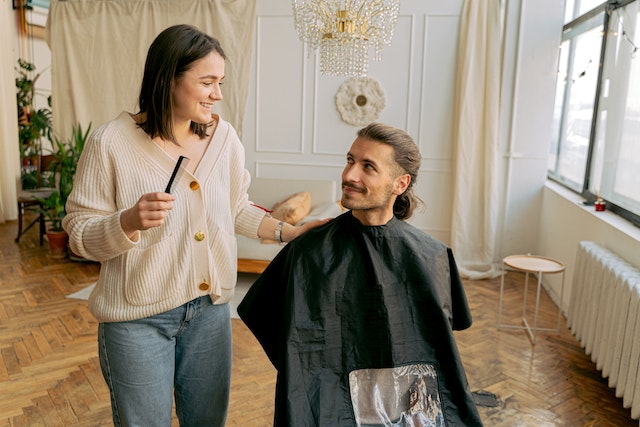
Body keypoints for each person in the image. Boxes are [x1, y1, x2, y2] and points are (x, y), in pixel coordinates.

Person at [62, 24, 326, 426]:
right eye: (207, 82)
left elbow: (235, 208)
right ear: (168, 79)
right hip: (137, 320)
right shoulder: (110, 143)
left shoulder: (225, 139)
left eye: (220, 82)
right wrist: (127, 222)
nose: (217, 94)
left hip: (210, 314)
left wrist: (285, 232)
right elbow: (79, 235)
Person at [238, 123, 483, 426]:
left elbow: (441, 337)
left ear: (400, 183)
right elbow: (263, 314)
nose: (349, 175)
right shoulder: (308, 250)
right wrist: (311, 371)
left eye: (368, 167)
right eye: (350, 160)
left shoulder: (432, 255)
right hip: (323, 398)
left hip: (409, 404)